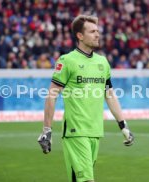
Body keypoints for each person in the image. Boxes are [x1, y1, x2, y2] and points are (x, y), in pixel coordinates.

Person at [37, 15, 134, 182]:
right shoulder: (67, 61)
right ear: (80, 36)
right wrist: (47, 130)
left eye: (98, 31)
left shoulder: (102, 62)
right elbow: (52, 95)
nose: (97, 34)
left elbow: (109, 94)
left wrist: (123, 125)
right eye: (92, 31)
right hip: (76, 132)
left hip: (95, 131)